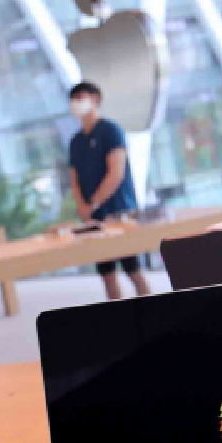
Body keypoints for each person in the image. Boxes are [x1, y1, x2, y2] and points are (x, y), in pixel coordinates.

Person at [67, 80, 151, 300]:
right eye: (73, 100)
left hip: (119, 212)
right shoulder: (75, 142)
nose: (75, 103)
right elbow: (74, 181)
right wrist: (84, 209)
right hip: (94, 219)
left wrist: (93, 203)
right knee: (107, 275)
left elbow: (116, 173)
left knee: (133, 269)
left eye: (80, 98)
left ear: (95, 99)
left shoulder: (110, 130)